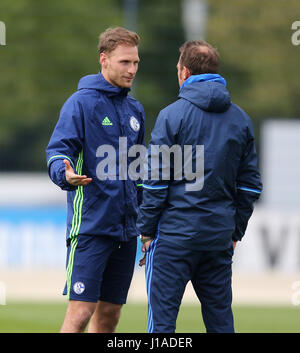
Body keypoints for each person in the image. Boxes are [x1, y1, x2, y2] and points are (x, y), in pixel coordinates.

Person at [137, 40, 262, 333]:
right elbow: (250, 186)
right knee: (220, 322)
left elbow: (155, 182)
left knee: (162, 325)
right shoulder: (241, 120)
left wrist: (146, 230)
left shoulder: (172, 115)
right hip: (217, 238)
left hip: (173, 237)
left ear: (184, 72)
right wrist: (234, 231)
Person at [46, 27, 145, 333]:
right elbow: (58, 149)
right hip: (91, 227)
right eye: (124, 62)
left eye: (136, 63)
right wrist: (64, 172)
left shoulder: (135, 110)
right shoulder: (81, 104)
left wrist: (146, 221)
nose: (132, 70)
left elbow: (138, 172)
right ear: (104, 60)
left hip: (126, 232)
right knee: (80, 313)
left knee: (110, 316)